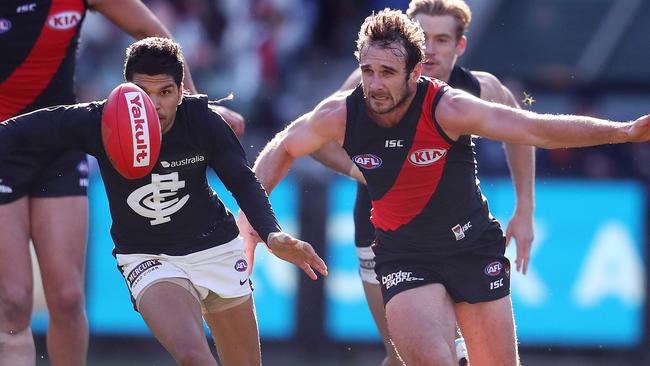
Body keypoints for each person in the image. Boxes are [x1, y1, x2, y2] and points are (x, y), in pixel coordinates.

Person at [238, 9, 650, 366]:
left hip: (472, 247)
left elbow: (534, 129)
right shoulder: (342, 112)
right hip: (404, 254)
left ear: (415, 73)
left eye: (387, 73)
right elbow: (285, 146)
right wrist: (251, 221)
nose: (375, 85)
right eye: (367, 71)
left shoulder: (449, 107)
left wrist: (625, 131)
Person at [0, 37, 328, 366]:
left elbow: (242, 181)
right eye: (144, 93)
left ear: (181, 91)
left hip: (216, 248)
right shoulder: (100, 121)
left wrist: (272, 234)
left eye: (165, 93)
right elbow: (17, 132)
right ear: (126, 90)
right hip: (148, 256)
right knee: (193, 356)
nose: (154, 105)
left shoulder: (203, 121)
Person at [0, 1, 243, 365]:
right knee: (14, 300)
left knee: (67, 298)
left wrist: (192, 111)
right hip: (5, 144)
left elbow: (152, 32)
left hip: (59, 149)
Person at [308, 1, 534, 364]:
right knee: (399, 356)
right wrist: (362, 172)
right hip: (383, 233)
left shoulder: (475, 88)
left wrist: (525, 208)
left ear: (460, 46)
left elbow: (522, 130)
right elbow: (313, 136)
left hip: (456, 237)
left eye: (441, 39)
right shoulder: (370, 82)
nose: (429, 49)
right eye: (422, 37)